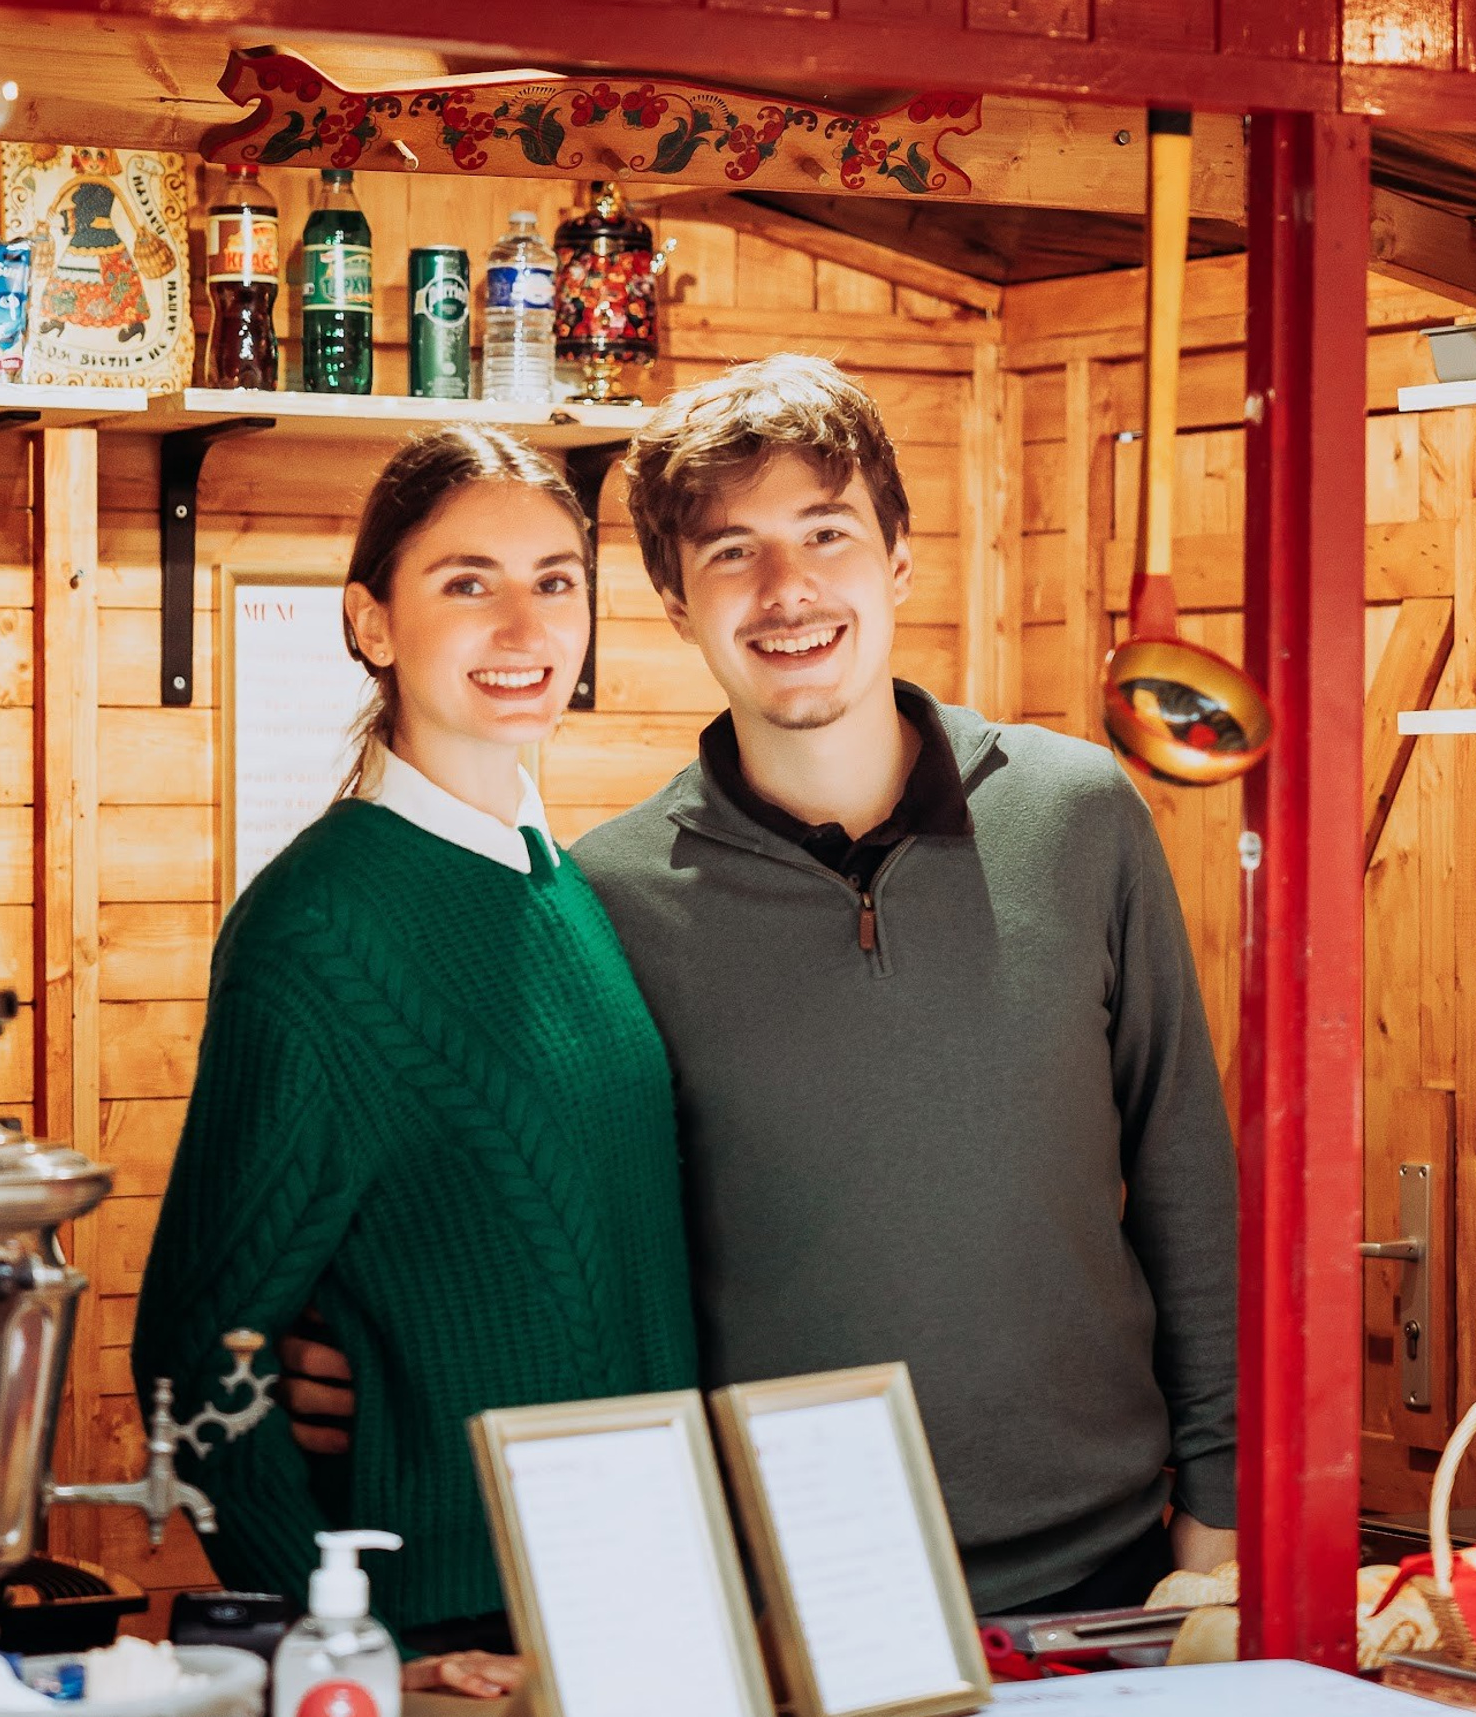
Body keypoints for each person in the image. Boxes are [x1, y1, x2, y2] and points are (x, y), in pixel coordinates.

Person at [288, 355, 1238, 1633]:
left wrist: (1219, 1508)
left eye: (827, 533)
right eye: (730, 552)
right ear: (675, 603)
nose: (788, 591)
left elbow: (1184, 1169)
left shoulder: (1078, 816)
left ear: (899, 557)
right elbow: (537, 1226)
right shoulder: (600, 899)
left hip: (1107, 1575)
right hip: (768, 1602)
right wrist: (375, 1348)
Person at [131, 426, 697, 1693]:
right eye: (466, 582)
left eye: (556, 581)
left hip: (640, 1613)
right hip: (465, 1640)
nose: (523, 623)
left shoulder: (569, 888)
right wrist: (358, 1646)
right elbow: (191, 1347)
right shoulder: (321, 929)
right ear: (373, 623)